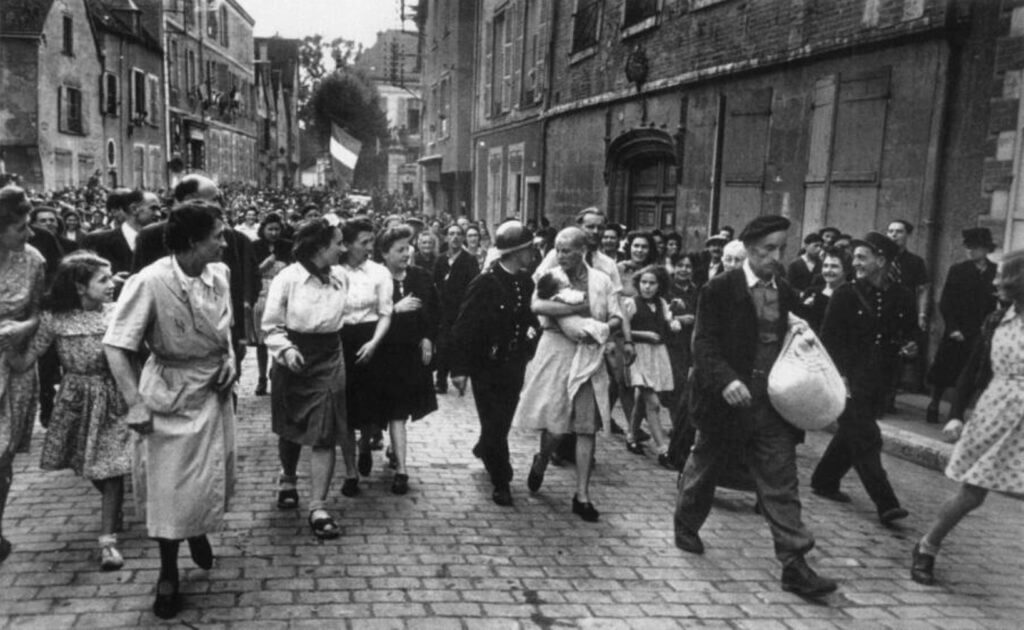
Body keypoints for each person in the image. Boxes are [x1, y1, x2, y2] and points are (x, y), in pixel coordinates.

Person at [673, 215, 837, 597]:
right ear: (748, 249)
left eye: (781, 249)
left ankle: (795, 564)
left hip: (772, 403)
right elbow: (704, 344)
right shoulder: (719, 289)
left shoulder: (786, 290)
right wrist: (727, 379)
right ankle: (685, 523)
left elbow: (795, 335)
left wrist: (803, 336)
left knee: (781, 481)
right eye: (768, 250)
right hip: (724, 401)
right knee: (705, 467)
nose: (775, 257)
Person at [103, 201, 237, 619]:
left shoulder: (221, 275)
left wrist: (230, 360)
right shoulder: (149, 281)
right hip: (169, 395)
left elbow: (225, 331)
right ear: (194, 241)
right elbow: (115, 345)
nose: (224, 241)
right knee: (169, 489)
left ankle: (195, 529)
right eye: (218, 235)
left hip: (213, 392)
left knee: (211, 474)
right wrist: (134, 402)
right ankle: (167, 574)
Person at [6, 252, 130, 570]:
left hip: (114, 396)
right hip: (76, 399)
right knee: (92, 466)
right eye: (102, 279)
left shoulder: (119, 312)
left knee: (111, 467)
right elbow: (29, 356)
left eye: (110, 276)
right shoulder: (56, 317)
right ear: (79, 286)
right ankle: (111, 506)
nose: (111, 284)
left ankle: (108, 543)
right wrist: (8, 349)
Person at [911, 249, 1024, 585]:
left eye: (1003, 276)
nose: (995, 281)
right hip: (998, 414)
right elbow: (973, 368)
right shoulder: (996, 320)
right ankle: (926, 547)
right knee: (971, 495)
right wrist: (956, 414)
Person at [515, 227, 624, 522]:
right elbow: (537, 305)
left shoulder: (601, 280)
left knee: (586, 426)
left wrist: (604, 328)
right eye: (558, 250)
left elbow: (617, 315)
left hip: (590, 355)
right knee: (556, 426)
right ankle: (541, 461)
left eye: (568, 250)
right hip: (557, 351)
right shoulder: (552, 277)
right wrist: (582, 308)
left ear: (583, 251)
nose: (561, 256)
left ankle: (582, 495)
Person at [810, 232, 917, 525]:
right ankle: (886, 503)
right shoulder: (845, 294)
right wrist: (840, 376)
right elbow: (828, 339)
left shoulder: (902, 295)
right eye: (854, 257)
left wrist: (910, 345)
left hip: (881, 381)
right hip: (849, 380)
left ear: (881, 260)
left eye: (862, 257)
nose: (855, 262)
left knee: (853, 434)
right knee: (867, 437)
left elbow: (910, 332)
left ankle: (824, 479)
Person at [262, 218, 348, 539]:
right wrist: (285, 351)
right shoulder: (288, 279)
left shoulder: (340, 278)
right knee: (291, 424)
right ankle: (288, 477)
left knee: (325, 428)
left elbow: (344, 317)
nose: (343, 248)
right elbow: (270, 324)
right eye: (338, 242)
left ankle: (318, 506)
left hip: (329, 356)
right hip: (294, 355)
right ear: (319, 247)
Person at [450, 221, 538, 506]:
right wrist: (459, 369)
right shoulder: (486, 282)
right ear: (515, 251)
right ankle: (502, 479)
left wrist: (529, 342)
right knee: (495, 421)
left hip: (513, 364)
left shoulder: (525, 281)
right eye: (528, 248)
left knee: (501, 420)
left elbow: (529, 319)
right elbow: (464, 326)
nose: (532, 253)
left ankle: (486, 447)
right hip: (485, 366)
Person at [0, 185, 45, 564]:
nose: (29, 234)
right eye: (20, 228)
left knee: (3, 456)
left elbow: (37, 312)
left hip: (13, 366)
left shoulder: (34, 260)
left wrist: (21, 328)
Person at [377, 224, 439, 495]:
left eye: (408, 248)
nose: (406, 253)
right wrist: (394, 309)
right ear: (385, 253)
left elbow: (435, 312)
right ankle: (385, 450)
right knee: (385, 412)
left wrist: (428, 337)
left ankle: (401, 467)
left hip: (410, 356)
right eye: (399, 249)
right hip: (382, 354)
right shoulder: (376, 279)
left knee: (399, 412)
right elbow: (364, 315)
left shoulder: (421, 277)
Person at [339, 217, 393, 496]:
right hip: (342, 341)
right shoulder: (334, 271)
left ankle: (366, 443)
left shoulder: (379, 273)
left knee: (371, 407)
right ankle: (350, 472)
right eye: (364, 243)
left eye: (372, 241)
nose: (370, 247)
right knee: (345, 410)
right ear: (347, 244)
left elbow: (386, 313)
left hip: (372, 339)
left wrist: (374, 343)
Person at [924, 228, 998, 424]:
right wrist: (953, 328)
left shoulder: (994, 271)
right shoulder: (958, 270)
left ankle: (956, 413)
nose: (970, 251)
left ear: (985, 249)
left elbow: (995, 304)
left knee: (970, 374)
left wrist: (988, 330)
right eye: (968, 247)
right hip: (957, 329)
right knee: (944, 369)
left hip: (980, 331)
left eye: (975, 248)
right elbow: (946, 301)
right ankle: (934, 402)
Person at [625, 264, 680, 466]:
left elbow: (669, 322)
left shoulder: (662, 303)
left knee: (643, 400)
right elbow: (623, 330)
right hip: (638, 355)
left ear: (660, 285)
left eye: (652, 283)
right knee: (653, 403)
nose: (647, 287)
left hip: (656, 355)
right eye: (644, 282)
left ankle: (631, 436)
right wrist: (643, 335)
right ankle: (663, 449)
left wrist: (674, 322)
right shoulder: (631, 303)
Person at [433, 223, 479, 395]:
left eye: (459, 234)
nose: (455, 237)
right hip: (443, 310)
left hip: (461, 310)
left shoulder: (469, 260)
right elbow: (435, 282)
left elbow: (474, 285)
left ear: (463, 238)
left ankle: (459, 377)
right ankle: (441, 381)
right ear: (446, 237)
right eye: (451, 234)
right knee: (442, 344)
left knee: (458, 344)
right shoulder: (441, 260)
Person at [252, 214, 293, 396]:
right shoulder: (255, 246)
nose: (274, 233)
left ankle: (276, 373)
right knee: (262, 340)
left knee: (281, 335)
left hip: (283, 293)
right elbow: (252, 272)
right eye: (270, 229)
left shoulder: (287, 246)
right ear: (263, 229)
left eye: (277, 229)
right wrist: (265, 264)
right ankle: (261, 377)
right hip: (262, 292)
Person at [82, 189, 159, 280]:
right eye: (153, 208)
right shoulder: (96, 241)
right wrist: (109, 282)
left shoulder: (161, 242)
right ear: (134, 209)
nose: (158, 214)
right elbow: (82, 279)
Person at [801, 248, 851, 333]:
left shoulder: (851, 296)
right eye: (825, 266)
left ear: (846, 270)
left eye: (834, 266)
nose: (828, 270)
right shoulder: (811, 292)